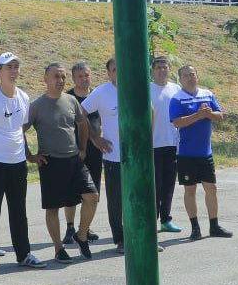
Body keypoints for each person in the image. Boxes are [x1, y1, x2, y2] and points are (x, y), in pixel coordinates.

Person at [0, 52, 46, 274]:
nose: (13, 71)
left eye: (16, 67)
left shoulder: (23, 97)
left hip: (17, 163)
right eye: (8, 67)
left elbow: (20, 129)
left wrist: (23, 153)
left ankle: (24, 254)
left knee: (18, 210)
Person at [81, 58, 163, 254]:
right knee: (116, 202)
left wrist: (147, 141)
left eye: (122, 68)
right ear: (109, 73)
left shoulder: (138, 88)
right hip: (113, 158)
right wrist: (95, 138)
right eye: (115, 70)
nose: (119, 73)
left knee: (144, 199)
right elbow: (80, 112)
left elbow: (151, 112)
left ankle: (146, 238)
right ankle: (121, 240)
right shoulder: (102, 92)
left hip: (138, 157)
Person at [28, 63, 98, 262]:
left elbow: (82, 123)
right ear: (46, 79)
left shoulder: (71, 101)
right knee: (53, 208)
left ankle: (81, 234)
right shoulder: (36, 106)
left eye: (63, 77)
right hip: (50, 162)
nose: (60, 81)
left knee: (92, 196)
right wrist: (30, 156)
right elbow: (19, 131)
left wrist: (83, 149)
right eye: (56, 77)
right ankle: (59, 248)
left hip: (74, 160)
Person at [170, 66, 233, 241]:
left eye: (192, 74)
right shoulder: (177, 99)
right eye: (186, 76)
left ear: (197, 76)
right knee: (190, 190)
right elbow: (176, 122)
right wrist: (198, 116)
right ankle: (195, 227)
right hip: (186, 154)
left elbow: (220, 116)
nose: (190, 78)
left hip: (205, 153)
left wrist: (209, 114)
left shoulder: (207, 94)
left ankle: (214, 226)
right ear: (180, 79)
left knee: (211, 189)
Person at [65, 62, 102, 246]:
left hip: (96, 151)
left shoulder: (98, 96)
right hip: (75, 151)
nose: (84, 79)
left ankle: (85, 228)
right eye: (80, 76)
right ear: (73, 78)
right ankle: (70, 228)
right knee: (72, 192)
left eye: (86, 75)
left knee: (93, 191)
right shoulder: (67, 98)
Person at [149, 56, 182, 234]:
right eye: (158, 67)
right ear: (153, 70)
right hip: (153, 145)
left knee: (169, 184)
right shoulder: (147, 89)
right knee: (155, 186)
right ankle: (152, 222)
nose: (162, 70)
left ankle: (166, 220)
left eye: (165, 67)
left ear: (169, 70)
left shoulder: (176, 89)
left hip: (172, 144)